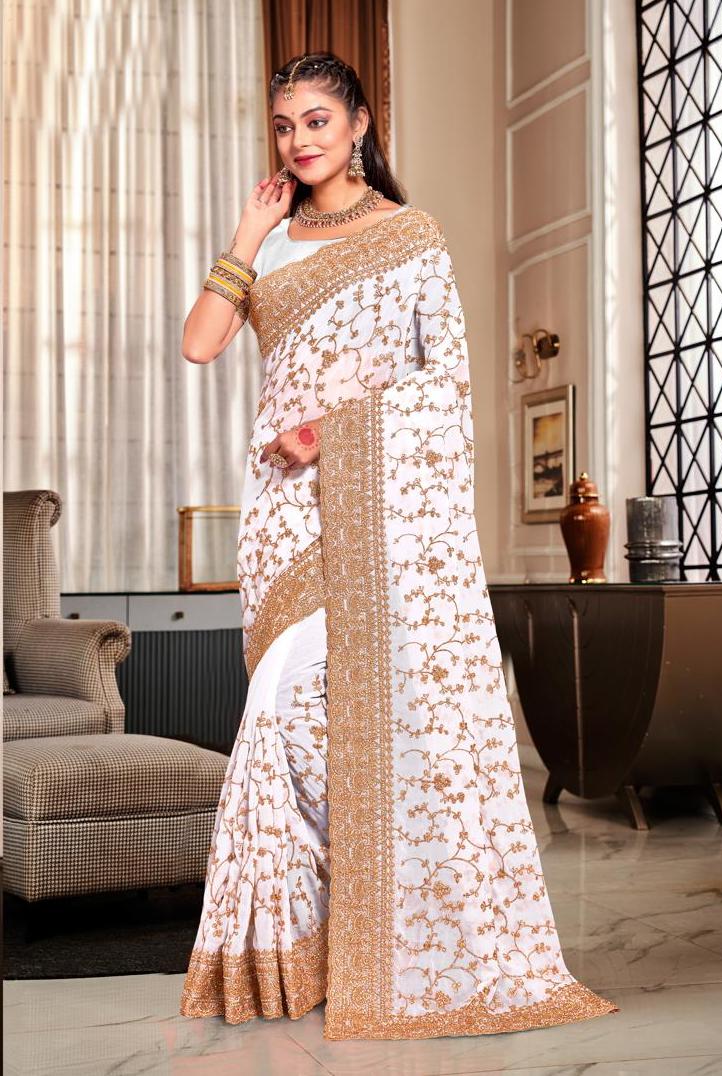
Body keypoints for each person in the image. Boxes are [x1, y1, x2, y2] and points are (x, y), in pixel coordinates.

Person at [178, 51, 619, 1042]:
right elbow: (202, 342)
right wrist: (245, 235)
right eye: (284, 124)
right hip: (284, 516)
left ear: (359, 125)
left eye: (317, 120)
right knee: (284, 716)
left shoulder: (409, 236)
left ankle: (391, 934)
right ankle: (300, 952)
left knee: (336, 715)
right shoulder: (271, 239)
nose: (299, 139)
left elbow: (444, 384)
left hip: (378, 506)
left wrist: (334, 430)